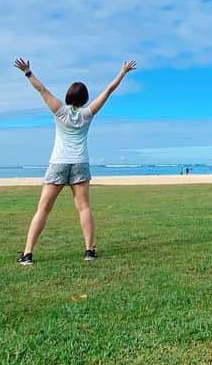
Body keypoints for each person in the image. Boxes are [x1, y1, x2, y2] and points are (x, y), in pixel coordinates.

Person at [14, 57, 137, 266]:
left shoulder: (60, 111)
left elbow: (41, 90)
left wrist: (28, 72)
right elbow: (108, 90)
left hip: (59, 163)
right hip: (80, 163)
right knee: (83, 207)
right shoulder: (88, 113)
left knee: (43, 209)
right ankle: (89, 251)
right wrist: (123, 71)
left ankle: (27, 254)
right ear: (85, 98)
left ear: (68, 95)